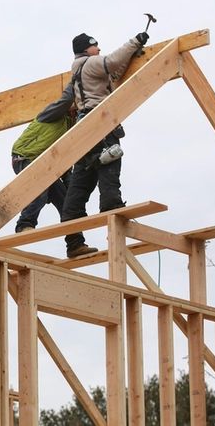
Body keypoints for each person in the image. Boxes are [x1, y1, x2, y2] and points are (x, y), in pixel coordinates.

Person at [61, 31, 148, 258]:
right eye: (95, 46)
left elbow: (114, 73)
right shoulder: (91, 63)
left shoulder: (78, 68)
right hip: (99, 122)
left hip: (83, 128)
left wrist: (131, 56)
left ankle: (73, 242)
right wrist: (135, 42)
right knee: (109, 165)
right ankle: (114, 219)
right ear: (85, 49)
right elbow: (112, 61)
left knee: (80, 182)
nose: (98, 49)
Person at [11, 84, 75, 232]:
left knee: (67, 202)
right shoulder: (54, 112)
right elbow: (66, 100)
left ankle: (75, 242)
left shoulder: (71, 127)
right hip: (25, 157)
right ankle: (25, 225)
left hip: (47, 167)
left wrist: (70, 186)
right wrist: (76, 79)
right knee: (40, 189)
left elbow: (65, 158)